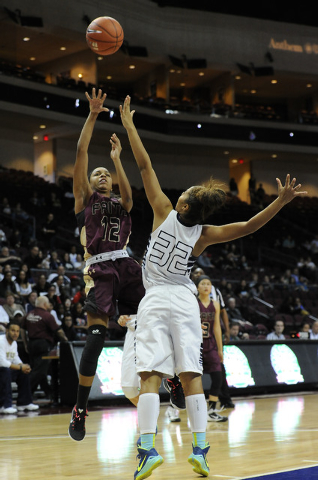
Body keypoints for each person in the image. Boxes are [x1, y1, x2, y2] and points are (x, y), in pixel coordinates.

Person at [120, 93, 305, 479]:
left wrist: (130, 125)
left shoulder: (163, 211)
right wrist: (281, 202)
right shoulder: (204, 234)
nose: (181, 192)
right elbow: (251, 226)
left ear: (183, 206)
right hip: (185, 300)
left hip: (155, 299)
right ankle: (200, 452)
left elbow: (143, 164)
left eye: (184, 193)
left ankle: (147, 450)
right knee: (190, 375)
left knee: (150, 375)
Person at [68, 88, 145, 442]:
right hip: (98, 268)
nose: (101, 176)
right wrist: (93, 114)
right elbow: (82, 151)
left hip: (127, 266)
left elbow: (130, 196)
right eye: (96, 173)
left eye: (105, 174)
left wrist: (116, 159)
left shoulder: (120, 200)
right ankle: (80, 409)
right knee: (96, 339)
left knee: (153, 320)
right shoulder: (85, 200)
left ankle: (172, 378)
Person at [20, 296, 67, 397]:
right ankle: (24, 393)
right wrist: (66, 340)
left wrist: (25, 343)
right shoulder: (47, 316)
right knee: (39, 371)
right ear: (45, 304)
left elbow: (22, 329)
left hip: (31, 344)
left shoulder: (28, 315)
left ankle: (48, 393)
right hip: (42, 345)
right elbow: (58, 331)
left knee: (39, 370)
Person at [196, 275, 228, 422]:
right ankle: (174, 408)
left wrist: (220, 349)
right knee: (191, 379)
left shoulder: (215, 304)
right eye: (203, 284)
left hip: (210, 345)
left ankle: (212, 410)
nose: (206, 286)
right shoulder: (193, 303)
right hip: (195, 345)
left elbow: (216, 328)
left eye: (208, 284)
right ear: (197, 287)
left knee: (218, 376)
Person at [0, 320, 39, 414]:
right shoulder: (1, 341)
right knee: (6, 371)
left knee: (23, 372)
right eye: (13, 330)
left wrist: (23, 366)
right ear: (7, 331)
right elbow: (1, 362)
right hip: (2, 370)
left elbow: (15, 358)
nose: (15, 333)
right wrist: (20, 367)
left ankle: (24, 402)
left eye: (17, 331)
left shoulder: (14, 343)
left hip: (6, 370)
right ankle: (5, 405)